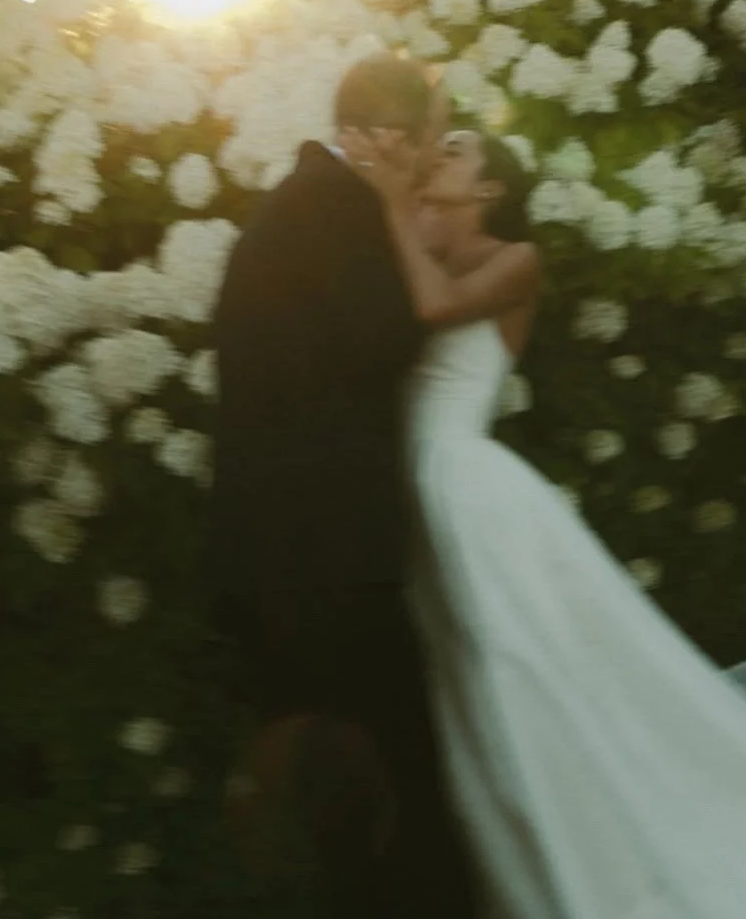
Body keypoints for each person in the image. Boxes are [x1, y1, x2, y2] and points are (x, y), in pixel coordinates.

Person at [345, 122, 746, 919]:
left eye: (456, 151)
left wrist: (394, 202)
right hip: (425, 481)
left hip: (469, 484)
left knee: (516, 664)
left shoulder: (515, 261)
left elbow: (433, 310)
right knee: (471, 667)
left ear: (491, 188)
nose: (439, 155)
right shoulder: (428, 243)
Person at [205, 53, 479, 919]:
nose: (436, 157)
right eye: (429, 139)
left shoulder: (303, 202)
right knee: (388, 777)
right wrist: (399, 207)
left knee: (333, 785)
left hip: (278, 546)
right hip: (319, 557)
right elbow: (384, 342)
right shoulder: (336, 211)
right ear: (383, 140)